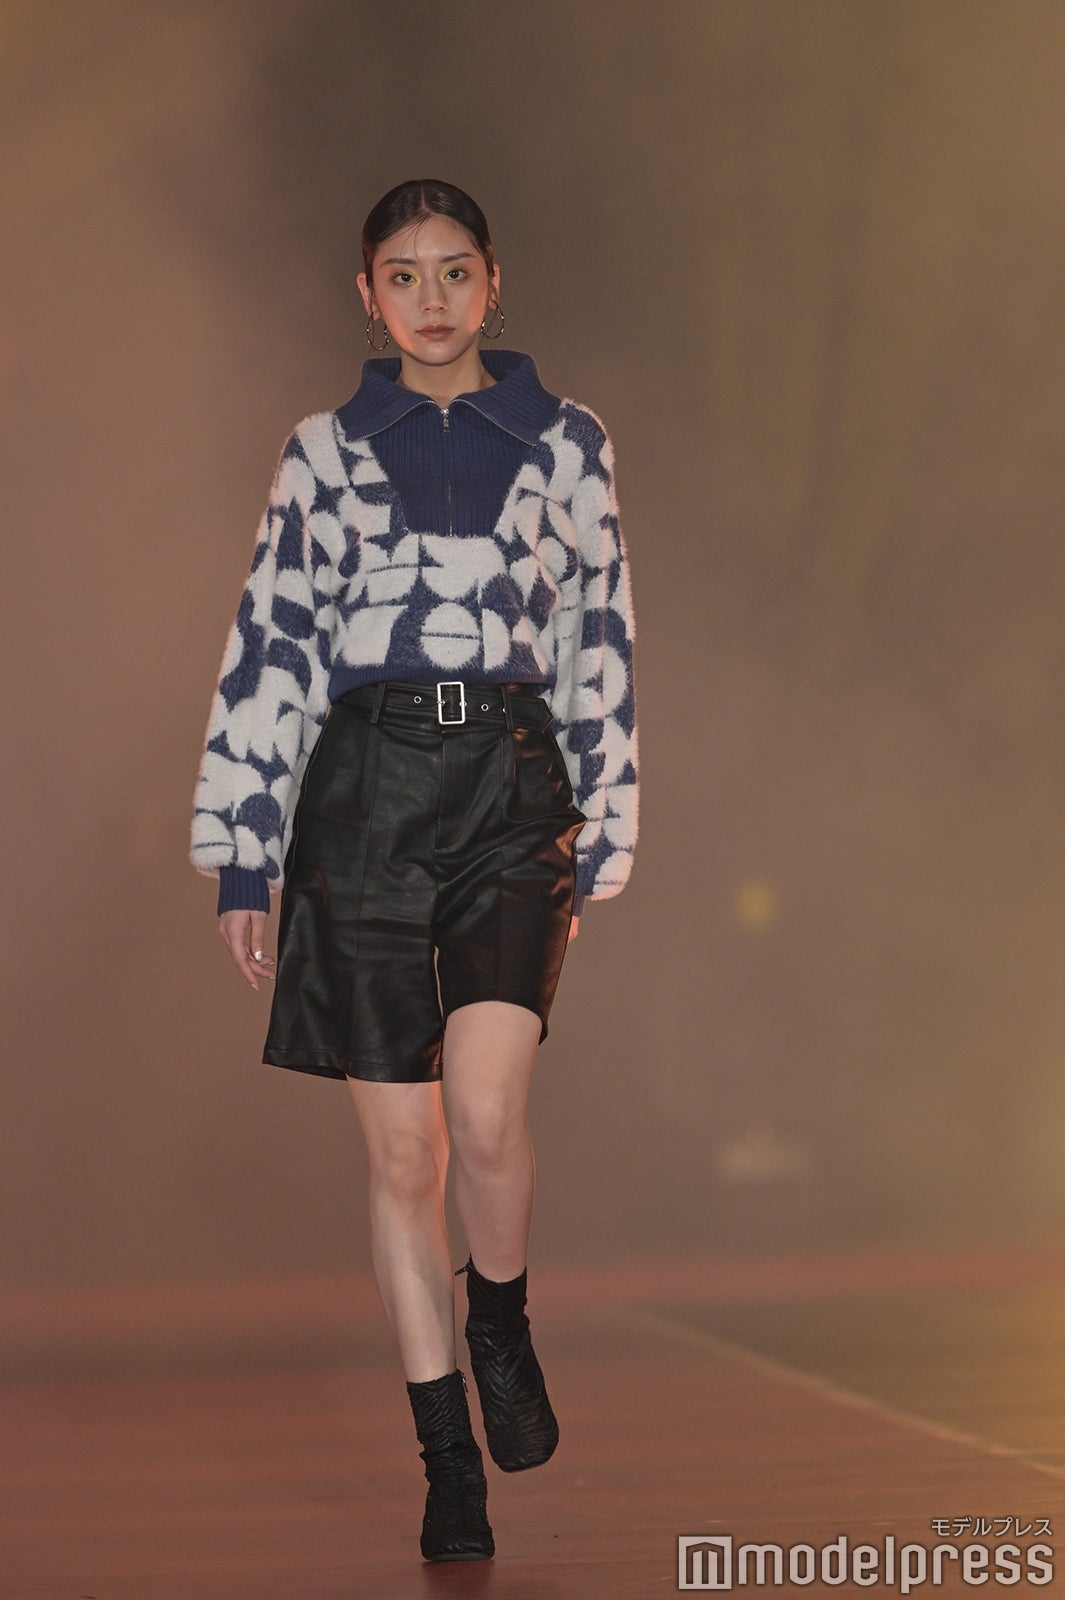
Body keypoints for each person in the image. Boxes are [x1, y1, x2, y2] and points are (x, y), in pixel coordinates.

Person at [189, 178, 638, 1563]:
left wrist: (604, 814)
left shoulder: (566, 439)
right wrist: (243, 852)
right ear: (367, 295)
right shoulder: (322, 452)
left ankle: (498, 1322)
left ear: (494, 282)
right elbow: (273, 638)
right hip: (362, 793)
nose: (431, 297)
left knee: (487, 1115)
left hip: (510, 782)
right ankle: (448, 1458)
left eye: (454, 271)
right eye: (403, 273)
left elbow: (601, 628)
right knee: (403, 1150)